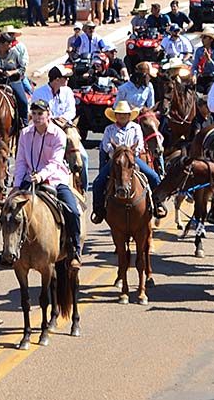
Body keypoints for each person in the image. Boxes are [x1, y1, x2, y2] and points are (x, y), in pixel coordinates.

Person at [14, 100, 83, 269]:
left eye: (41, 114)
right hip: (29, 179)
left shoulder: (58, 134)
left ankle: (74, 250)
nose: (37, 117)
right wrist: (16, 186)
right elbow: (21, 161)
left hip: (54, 178)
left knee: (72, 210)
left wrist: (41, 176)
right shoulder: (25, 133)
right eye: (35, 114)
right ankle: (11, 249)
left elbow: (55, 162)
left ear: (48, 114)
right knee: (10, 210)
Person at [91, 101, 165, 223]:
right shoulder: (109, 129)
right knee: (98, 183)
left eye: (125, 114)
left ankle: (158, 205)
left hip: (132, 159)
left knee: (154, 177)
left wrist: (130, 152)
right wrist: (118, 152)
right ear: (115, 115)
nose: (122, 116)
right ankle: (98, 210)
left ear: (129, 115)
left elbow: (140, 143)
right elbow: (106, 145)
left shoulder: (136, 128)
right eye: (120, 114)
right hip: (115, 160)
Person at [32, 65, 89, 189]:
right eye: (65, 78)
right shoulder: (39, 93)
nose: (67, 80)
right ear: (57, 80)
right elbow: (38, 112)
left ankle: (83, 188)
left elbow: (71, 111)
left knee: (83, 157)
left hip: (65, 127)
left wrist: (64, 118)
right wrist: (53, 120)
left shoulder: (67, 91)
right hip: (47, 131)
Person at [0, 33, 28, 127]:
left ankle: (24, 122)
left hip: (13, 82)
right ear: (1, 44)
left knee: (23, 101)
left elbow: (22, 69)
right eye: (8, 43)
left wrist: (12, 72)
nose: (11, 46)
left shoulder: (15, 54)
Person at [192, 27, 214, 92]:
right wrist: (194, 75)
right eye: (202, 37)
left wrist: (209, 60)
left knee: (210, 92)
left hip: (212, 78)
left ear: (211, 39)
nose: (202, 40)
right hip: (201, 77)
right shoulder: (199, 50)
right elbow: (195, 66)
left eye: (204, 37)